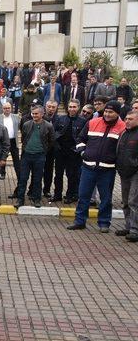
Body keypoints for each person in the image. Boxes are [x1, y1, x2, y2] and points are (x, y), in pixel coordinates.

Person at [68, 100, 126, 232]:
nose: (107, 114)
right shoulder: (92, 122)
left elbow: (123, 149)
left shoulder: (123, 128)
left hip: (108, 169)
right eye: (106, 111)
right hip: (88, 167)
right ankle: (79, 221)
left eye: (111, 112)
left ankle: (104, 223)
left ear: (117, 113)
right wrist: (83, 152)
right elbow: (80, 139)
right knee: (83, 195)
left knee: (106, 198)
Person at [15, 106, 55, 208]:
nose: (34, 115)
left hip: (39, 156)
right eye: (33, 113)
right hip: (26, 156)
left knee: (37, 179)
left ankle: (37, 199)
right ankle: (20, 199)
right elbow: (24, 138)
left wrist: (43, 150)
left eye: (36, 114)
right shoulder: (26, 125)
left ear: (42, 114)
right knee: (23, 178)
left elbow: (51, 141)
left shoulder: (48, 126)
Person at [51, 99, 87, 204]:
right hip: (60, 151)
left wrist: (78, 150)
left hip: (74, 153)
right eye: (70, 107)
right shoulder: (60, 119)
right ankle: (57, 195)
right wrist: (56, 146)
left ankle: (70, 195)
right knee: (58, 175)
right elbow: (54, 133)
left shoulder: (83, 121)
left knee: (71, 175)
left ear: (78, 108)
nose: (72, 109)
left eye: (74, 107)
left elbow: (84, 138)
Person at [116, 111, 138, 242]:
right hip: (124, 172)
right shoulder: (124, 132)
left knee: (133, 201)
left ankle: (135, 230)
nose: (127, 121)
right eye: (126, 118)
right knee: (125, 201)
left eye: (131, 119)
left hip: (135, 172)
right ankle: (128, 226)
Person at [0, 102, 20, 185]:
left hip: (13, 141)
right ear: (2, 109)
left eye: (8, 108)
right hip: (3, 141)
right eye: (5, 108)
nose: (7, 110)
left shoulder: (16, 117)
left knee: (16, 158)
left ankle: (18, 173)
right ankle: (2, 173)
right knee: (2, 158)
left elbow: (19, 127)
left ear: (11, 108)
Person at [42, 100, 59, 198]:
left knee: (49, 170)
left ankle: (47, 190)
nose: (51, 109)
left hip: (52, 149)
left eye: (53, 107)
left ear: (56, 108)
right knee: (37, 170)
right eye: (49, 106)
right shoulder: (40, 118)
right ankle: (35, 189)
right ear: (45, 107)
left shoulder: (59, 119)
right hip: (41, 148)